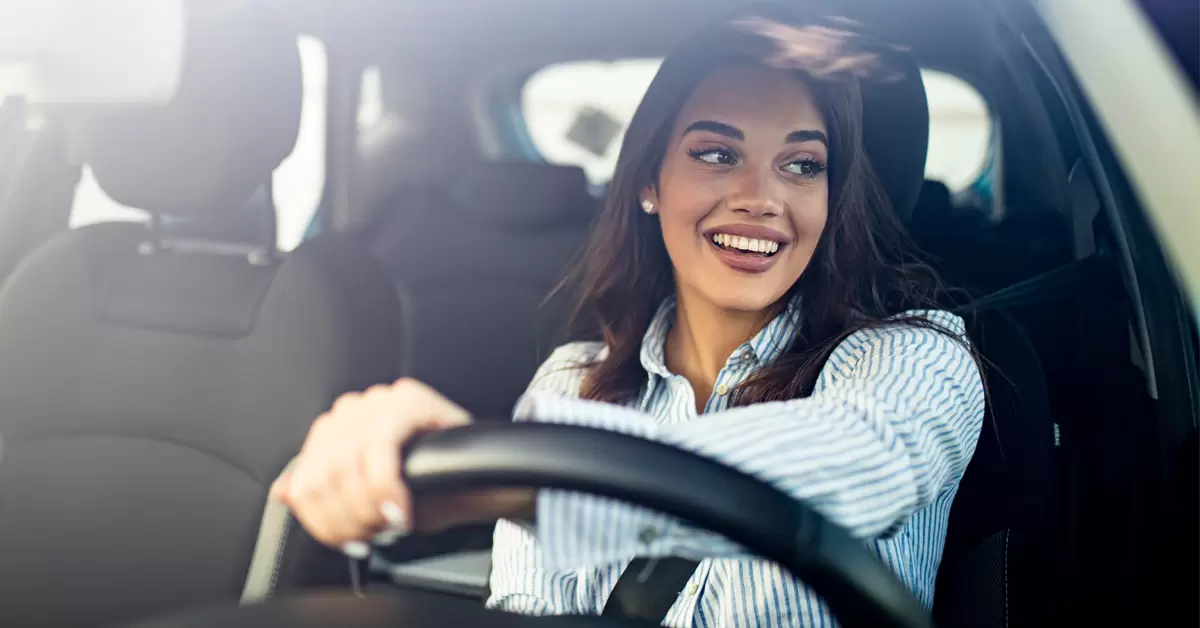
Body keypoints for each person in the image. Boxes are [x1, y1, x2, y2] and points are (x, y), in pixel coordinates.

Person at [270, 7, 986, 626]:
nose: (760, 198)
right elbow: (529, 613)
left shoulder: (917, 358)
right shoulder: (572, 383)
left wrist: (526, 482)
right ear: (650, 181)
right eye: (716, 153)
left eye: (803, 166)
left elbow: (866, 462)